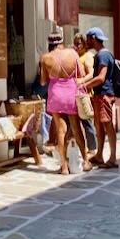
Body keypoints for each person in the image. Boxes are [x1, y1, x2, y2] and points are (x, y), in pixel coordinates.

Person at [40, 31, 92, 174]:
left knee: (60, 130)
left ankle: (63, 167)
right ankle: (86, 161)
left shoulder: (45, 58)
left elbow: (43, 81)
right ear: (62, 42)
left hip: (55, 94)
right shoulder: (72, 54)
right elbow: (81, 74)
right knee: (76, 127)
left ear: (49, 43)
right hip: (71, 92)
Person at [81, 27, 118, 169]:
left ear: (94, 38)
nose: (87, 42)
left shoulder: (103, 55)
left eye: (88, 39)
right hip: (99, 95)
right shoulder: (100, 55)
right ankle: (100, 155)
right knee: (99, 126)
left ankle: (113, 158)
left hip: (104, 95)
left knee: (108, 125)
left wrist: (86, 86)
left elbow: (101, 77)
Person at [73, 33, 98, 154]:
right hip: (76, 92)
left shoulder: (87, 56)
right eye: (75, 44)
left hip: (85, 93)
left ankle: (92, 148)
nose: (76, 46)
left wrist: (81, 81)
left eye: (78, 43)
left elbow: (91, 74)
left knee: (86, 121)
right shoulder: (77, 56)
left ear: (84, 44)